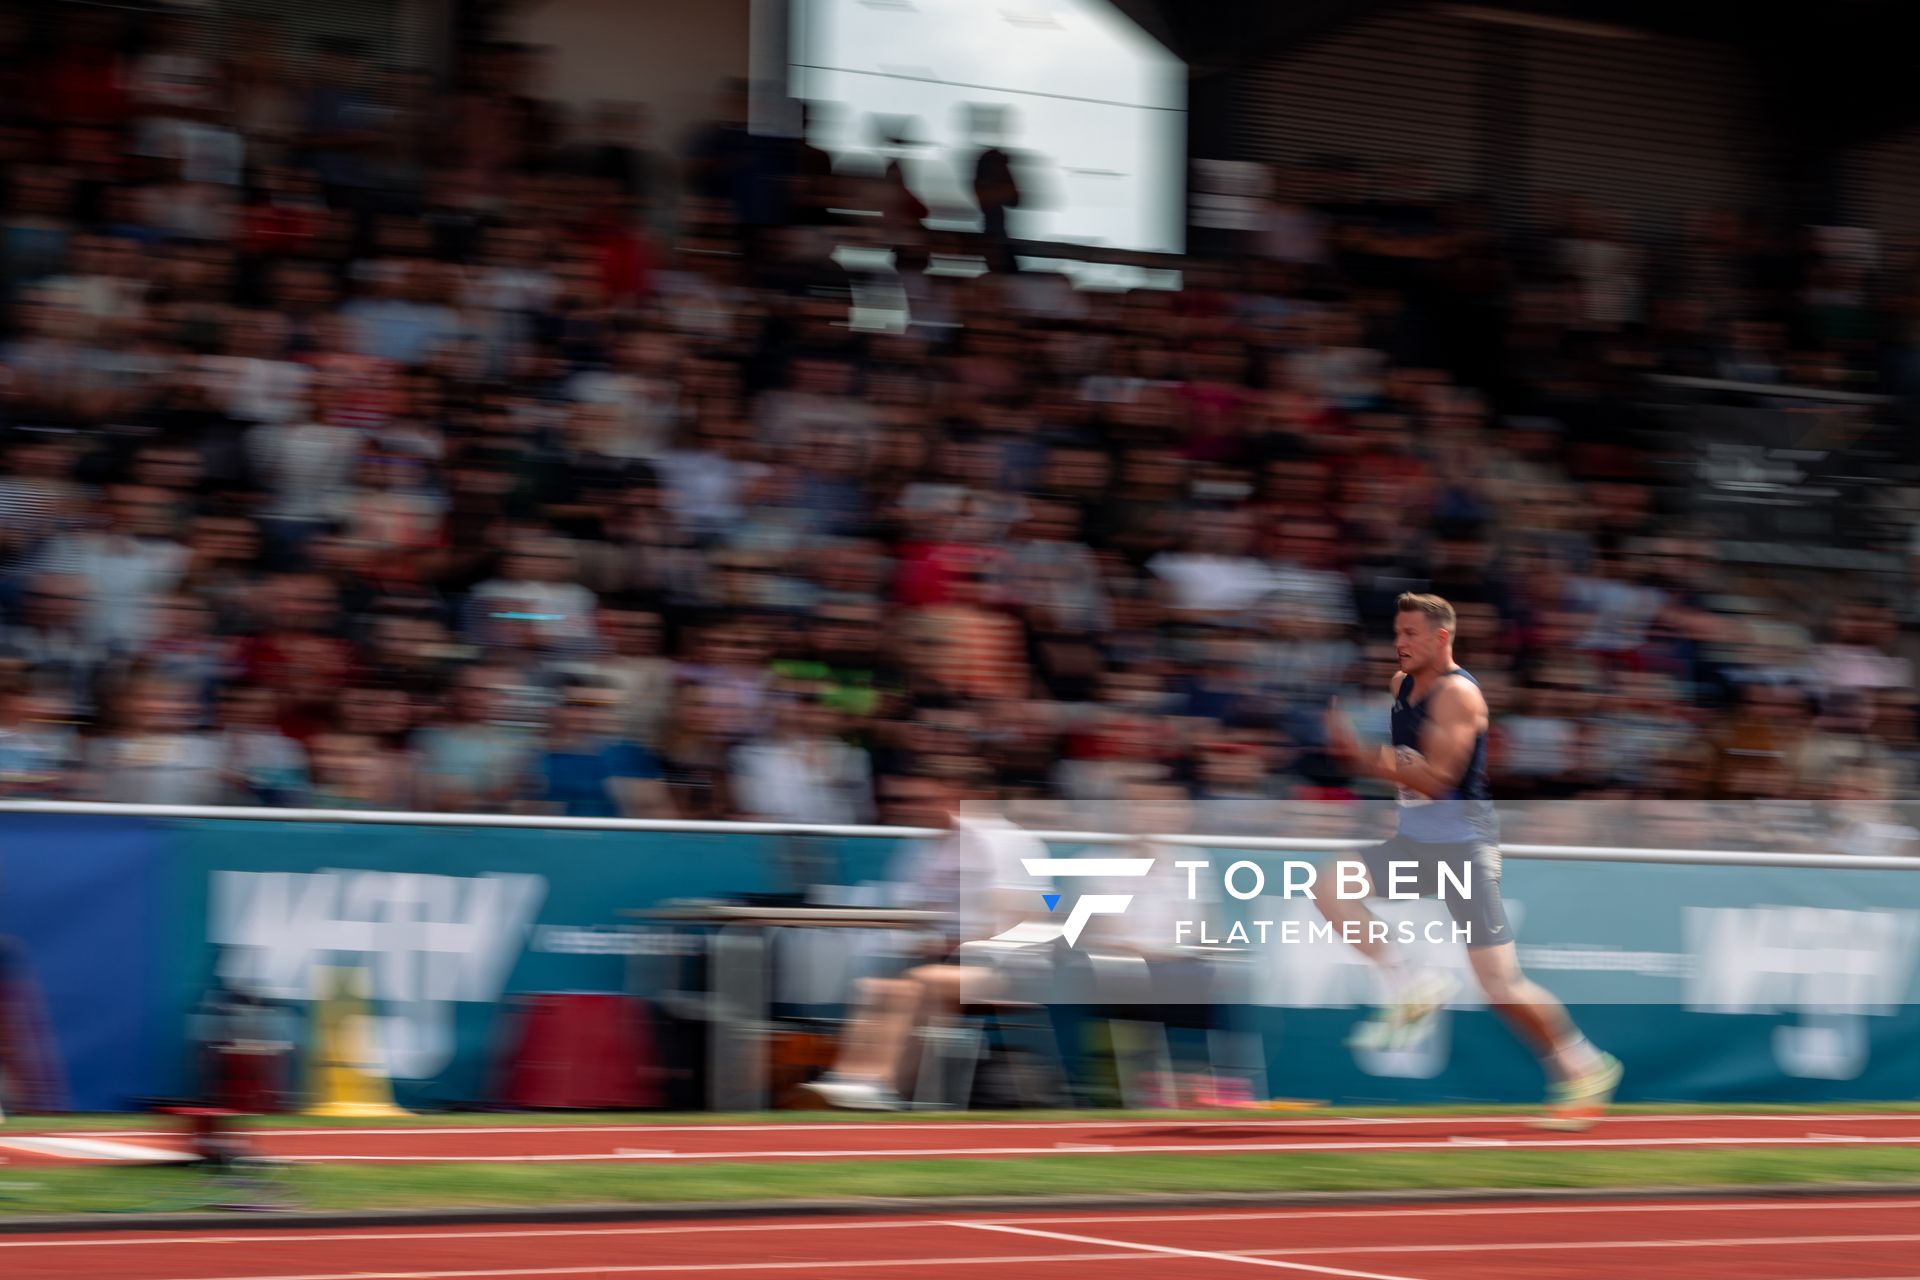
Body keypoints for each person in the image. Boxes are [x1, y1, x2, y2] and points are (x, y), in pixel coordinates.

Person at [1321, 592, 1621, 1130]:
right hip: (1416, 843)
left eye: (1410, 633)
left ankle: (1584, 1065)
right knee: (1329, 887)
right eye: (1397, 632)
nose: (1399, 643)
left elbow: (1437, 782)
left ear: (1441, 637)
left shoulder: (1460, 695)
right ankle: (1409, 980)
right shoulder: (1400, 687)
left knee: (1501, 986)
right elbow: (1410, 770)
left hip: (1463, 850)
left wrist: (1367, 757)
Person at [797, 771, 1042, 1110]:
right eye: (900, 800)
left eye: (919, 800)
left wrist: (952, 943)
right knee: (880, 987)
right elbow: (912, 914)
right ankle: (855, 1081)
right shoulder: (918, 849)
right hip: (943, 961)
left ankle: (881, 1084)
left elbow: (1016, 919)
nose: (908, 808)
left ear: (952, 795)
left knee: (921, 981)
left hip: (1009, 968)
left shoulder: (1005, 843)